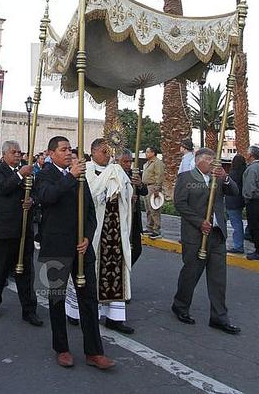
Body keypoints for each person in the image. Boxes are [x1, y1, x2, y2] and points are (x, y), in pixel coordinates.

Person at [33, 135, 115, 371]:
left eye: (70, 149)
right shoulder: (46, 175)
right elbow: (48, 197)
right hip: (55, 246)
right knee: (56, 298)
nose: (68, 153)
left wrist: (88, 236)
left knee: (89, 299)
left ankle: (94, 351)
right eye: (63, 149)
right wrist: (70, 176)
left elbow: (90, 211)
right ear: (51, 153)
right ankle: (62, 348)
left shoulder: (80, 177)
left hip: (81, 248)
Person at [65, 140, 135, 334]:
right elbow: (87, 195)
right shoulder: (84, 171)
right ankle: (75, 311)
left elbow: (128, 195)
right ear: (93, 151)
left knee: (115, 272)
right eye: (104, 151)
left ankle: (115, 318)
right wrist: (104, 190)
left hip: (114, 229)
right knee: (86, 272)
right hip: (92, 230)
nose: (108, 155)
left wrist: (126, 190)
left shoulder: (117, 170)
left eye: (110, 152)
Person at [171, 147, 241, 334]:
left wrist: (225, 177)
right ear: (198, 161)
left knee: (218, 279)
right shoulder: (186, 178)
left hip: (217, 235)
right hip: (195, 235)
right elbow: (180, 204)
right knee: (191, 273)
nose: (213, 164)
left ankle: (219, 317)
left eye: (214, 160)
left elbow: (234, 191)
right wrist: (199, 221)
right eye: (209, 160)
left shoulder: (218, 178)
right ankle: (181, 305)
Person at [0, 140, 42, 326]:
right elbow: (1, 189)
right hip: (5, 229)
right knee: (0, 269)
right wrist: (18, 175)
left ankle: (29, 309)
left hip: (24, 229)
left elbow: (38, 192)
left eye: (20, 152)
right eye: (15, 152)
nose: (18, 155)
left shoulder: (28, 171)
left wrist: (32, 200)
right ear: (5, 153)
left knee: (26, 271)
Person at [225, 154, 247, 254]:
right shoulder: (245, 172)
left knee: (236, 224)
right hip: (240, 200)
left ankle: (238, 245)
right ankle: (239, 244)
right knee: (238, 223)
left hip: (231, 201)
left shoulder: (232, 173)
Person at [142, 146, 164, 238]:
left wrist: (157, 188)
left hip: (152, 187)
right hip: (146, 187)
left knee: (154, 209)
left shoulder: (157, 163)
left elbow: (159, 175)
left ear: (153, 153)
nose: (146, 154)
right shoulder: (147, 163)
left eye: (148, 152)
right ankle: (150, 226)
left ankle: (156, 229)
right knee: (148, 209)